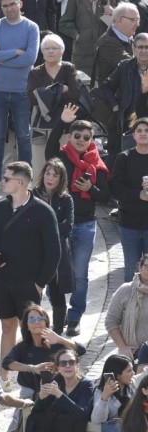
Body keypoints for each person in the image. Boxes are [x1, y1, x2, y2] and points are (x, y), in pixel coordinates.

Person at [0, 161, 60, 383]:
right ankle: (4, 376)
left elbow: (54, 252)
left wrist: (40, 283)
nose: (3, 182)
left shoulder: (43, 212)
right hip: (3, 281)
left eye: (6, 179)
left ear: (19, 182)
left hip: (29, 282)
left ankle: (38, 374)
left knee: (33, 331)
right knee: (7, 326)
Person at [45, 104, 110, 337]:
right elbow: (50, 147)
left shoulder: (97, 163)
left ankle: (74, 317)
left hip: (84, 224)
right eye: (77, 136)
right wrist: (61, 122)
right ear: (70, 137)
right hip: (60, 224)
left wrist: (91, 189)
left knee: (80, 274)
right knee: (56, 271)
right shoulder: (62, 157)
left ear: (91, 139)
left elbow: (106, 196)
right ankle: (58, 313)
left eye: (86, 137)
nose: (81, 140)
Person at [0, 0, 39, 180]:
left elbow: (30, 58)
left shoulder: (32, 27)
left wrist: (1, 58)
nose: (8, 9)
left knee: (24, 135)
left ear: (20, 4)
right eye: (4, 6)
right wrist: (15, 51)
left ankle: (25, 177)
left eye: (11, 4)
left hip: (22, 90)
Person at [2, 303, 86, 397]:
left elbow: (81, 350)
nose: (37, 322)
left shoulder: (56, 342)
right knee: (24, 409)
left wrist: (60, 339)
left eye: (41, 318)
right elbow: (6, 363)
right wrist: (32, 368)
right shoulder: (23, 347)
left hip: (56, 390)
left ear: (46, 323)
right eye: (32, 319)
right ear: (27, 326)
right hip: (30, 392)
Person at [27, 34, 81, 172]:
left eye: (55, 48)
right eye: (46, 48)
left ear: (62, 51)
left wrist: (44, 93)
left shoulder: (68, 68)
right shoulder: (35, 72)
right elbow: (32, 99)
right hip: (40, 124)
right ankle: (39, 193)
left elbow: (75, 94)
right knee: (40, 164)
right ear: (42, 52)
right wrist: (60, 89)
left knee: (64, 164)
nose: (50, 51)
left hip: (65, 122)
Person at [32, 159, 74, 332]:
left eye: (55, 175)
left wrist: (47, 230)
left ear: (61, 178)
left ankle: (57, 331)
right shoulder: (32, 194)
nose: (50, 178)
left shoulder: (66, 199)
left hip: (57, 253)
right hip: (36, 253)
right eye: (48, 173)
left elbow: (68, 226)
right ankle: (34, 330)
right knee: (34, 295)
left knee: (57, 295)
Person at [110, 119, 148, 284]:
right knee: (131, 271)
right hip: (129, 224)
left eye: (146, 130)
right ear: (133, 135)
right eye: (139, 130)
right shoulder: (124, 158)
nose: (143, 134)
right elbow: (116, 189)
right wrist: (139, 194)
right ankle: (130, 308)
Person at [91, 354, 135, 432]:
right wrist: (105, 397)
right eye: (129, 371)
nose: (133, 373)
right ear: (118, 375)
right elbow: (97, 419)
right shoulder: (100, 392)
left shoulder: (131, 388)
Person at [105, 254, 148, 360]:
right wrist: (123, 347)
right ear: (140, 267)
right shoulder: (125, 290)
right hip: (132, 354)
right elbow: (111, 321)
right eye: (147, 266)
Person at [58, 0, 108, 77]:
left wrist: (113, 13)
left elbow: (122, 22)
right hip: (82, 54)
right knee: (82, 85)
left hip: (105, 53)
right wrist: (77, 35)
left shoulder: (111, 1)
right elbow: (64, 24)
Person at [94, 3, 139, 86]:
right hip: (113, 97)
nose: (137, 24)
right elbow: (133, 66)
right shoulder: (107, 43)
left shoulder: (128, 39)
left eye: (138, 20)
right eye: (133, 20)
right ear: (119, 20)